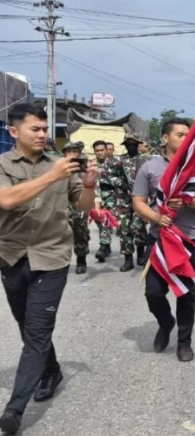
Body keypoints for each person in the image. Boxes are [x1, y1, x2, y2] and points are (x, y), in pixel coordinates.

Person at [0, 104, 98, 435]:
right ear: (14, 132)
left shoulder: (60, 165)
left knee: (38, 330)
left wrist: (87, 185)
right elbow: (7, 200)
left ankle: (15, 408)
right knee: (27, 324)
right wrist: (52, 176)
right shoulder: (2, 165)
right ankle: (52, 369)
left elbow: (81, 206)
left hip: (52, 257)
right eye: (35, 129)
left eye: (45, 129)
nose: (43, 135)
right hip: (11, 256)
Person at [132, 118, 195, 363]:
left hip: (190, 239)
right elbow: (138, 201)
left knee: (186, 294)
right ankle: (166, 322)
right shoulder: (149, 168)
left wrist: (190, 202)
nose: (186, 138)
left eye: (188, 135)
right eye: (180, 134)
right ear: (166, 138)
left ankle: (184, 342)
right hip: (159, 240)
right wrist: (156, 217)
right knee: (154, 293)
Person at [117, 136, 149, 272]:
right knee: (124, 229)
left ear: (137, 145)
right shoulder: (119, 160)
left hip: (140, 198)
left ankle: (141, 254)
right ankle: (128, 259)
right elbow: (107, 175)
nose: (130, 147)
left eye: (132, 144)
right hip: (123, 199)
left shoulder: (144, 160)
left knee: (138, 226)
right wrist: (122, 184)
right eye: (127, 145)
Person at [63, 141, 91, 275]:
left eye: (75, 151)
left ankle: (81, 261)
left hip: (79, 207)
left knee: (81, 234)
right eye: (69, 151)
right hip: (62, 207)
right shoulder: (59, 167)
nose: (72, 154)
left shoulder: (85, 167)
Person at [94, 140, 119, 262]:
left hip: (110, 196)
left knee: (106, 221)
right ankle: (106, 245)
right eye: (97, 151)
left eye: (101, 150)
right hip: (95, 198)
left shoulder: (115, 163)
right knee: (99, 222)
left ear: (106, 150)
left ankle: (103, 247)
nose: (99, 153)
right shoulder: (91, 164)